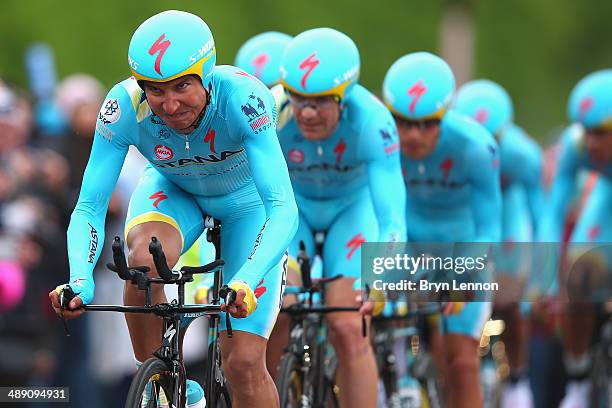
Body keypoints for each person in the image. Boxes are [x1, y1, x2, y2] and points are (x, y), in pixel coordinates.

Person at [48, 10, 298, 407]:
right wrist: (79, 279)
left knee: (245, 365)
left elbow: (282, 206)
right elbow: (89, 207)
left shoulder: (244, 98)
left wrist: (247, 278)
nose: (169, 103)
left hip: (247, 206)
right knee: (141, 260)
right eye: (156, 90)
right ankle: (166, 384)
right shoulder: (123, 106)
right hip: (174, 189)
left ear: (207, 72)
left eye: (182, 86)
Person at [269, 27, 407, 408]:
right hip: (294, 210)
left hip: (352, 211)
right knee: (280, 308)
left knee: (348, 324)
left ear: (345, 96)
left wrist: (381, 274)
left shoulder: (373, 121)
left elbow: (391, 215)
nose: (307, 112)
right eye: (299, 100)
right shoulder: (268, 109)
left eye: (321, 102)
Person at [382, 52, 502, 408]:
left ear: (445, 114)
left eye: (427, 123)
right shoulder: (380, 138)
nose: (413, 134)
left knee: (460, 361)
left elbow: (488, 227)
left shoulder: (476, 147)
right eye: (403, 122)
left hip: (463, 249)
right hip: (407, 246)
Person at [453, 79, 543, 408]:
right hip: (469, 216)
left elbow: (539, 212)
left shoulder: (523, 155)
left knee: (515, 296)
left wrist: (538, 275)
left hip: (508, 219)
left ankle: (518, 379)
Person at [538, 69, 612, 408]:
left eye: (602, 132)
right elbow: (553, 214)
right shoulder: (574, 143)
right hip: (604, 202)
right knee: (578, 276)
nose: (592, 142)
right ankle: (579, 382)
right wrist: (546, 280)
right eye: (587, 132)